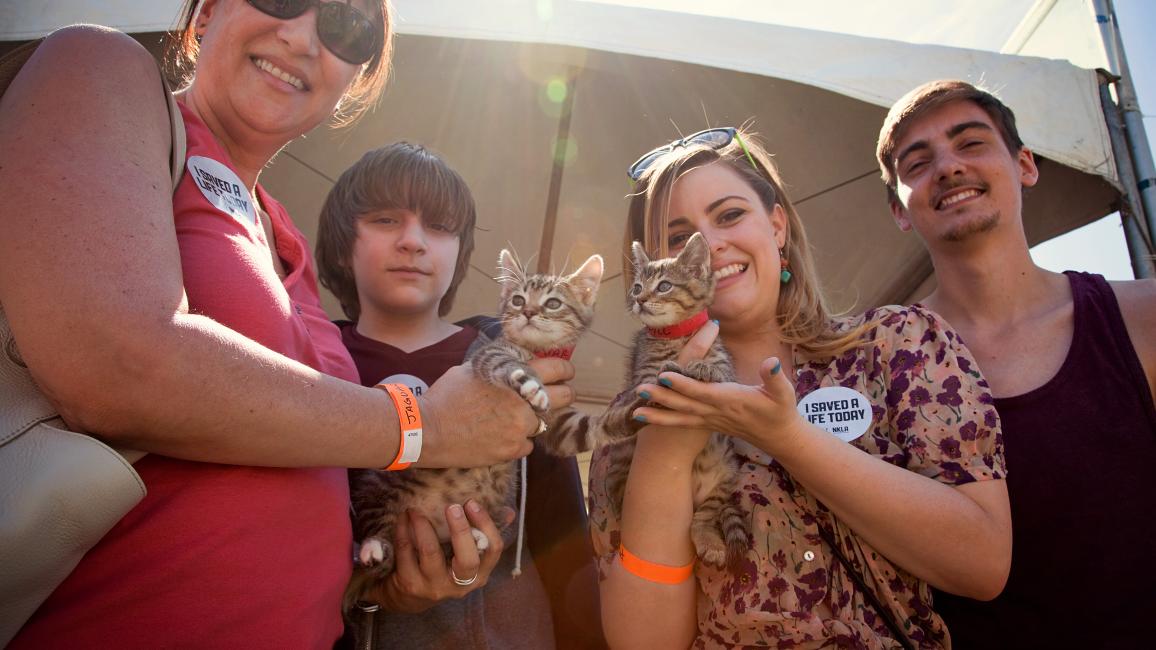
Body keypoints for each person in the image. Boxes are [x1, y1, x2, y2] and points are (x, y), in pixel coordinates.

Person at [0, 1, 572, 646]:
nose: (301, 37)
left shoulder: (283, 240)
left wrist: (388, 587)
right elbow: (111, 361)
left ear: (353, 78)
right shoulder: (99, 67)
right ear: (206, 11)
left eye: (345, 28)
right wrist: (424, 426)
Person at [588, 127, 1012, 648]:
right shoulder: (629, 422)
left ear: (777, 225)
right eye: (678, 239)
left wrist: (789, 439)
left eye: (728, 215)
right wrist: (664, 455)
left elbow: (983, 564)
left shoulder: (893, 344)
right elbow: (645, 644)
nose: (709, 245)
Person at [876, 79, 1156, 649]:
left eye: (971, 143)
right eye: (918, 162)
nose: (948, 168)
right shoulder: (871, 366)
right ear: (898, 212)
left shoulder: (1145, 318)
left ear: (1025, 164)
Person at [315, 142, 605, 649]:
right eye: (385, 220)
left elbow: (565, 546)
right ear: (343, 244)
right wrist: (376, 593)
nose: (413, 241)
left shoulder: (519, 366)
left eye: (439, 227)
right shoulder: (305, 366)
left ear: (461, 255)